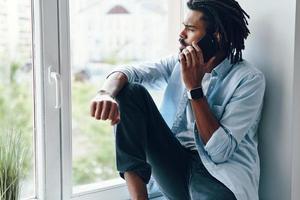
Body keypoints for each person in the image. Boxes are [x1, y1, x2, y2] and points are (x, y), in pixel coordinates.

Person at [90, 0, 265, 199]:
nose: (181, 35)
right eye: (183, 27)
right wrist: (105, 93)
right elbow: (129, 72)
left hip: (218, 176)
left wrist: (195, 88)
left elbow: (219, 153)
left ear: (215, 37)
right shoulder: (177, 62)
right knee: (128, 92)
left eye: (190, 29)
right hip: (174, 166)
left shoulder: (249, 79)